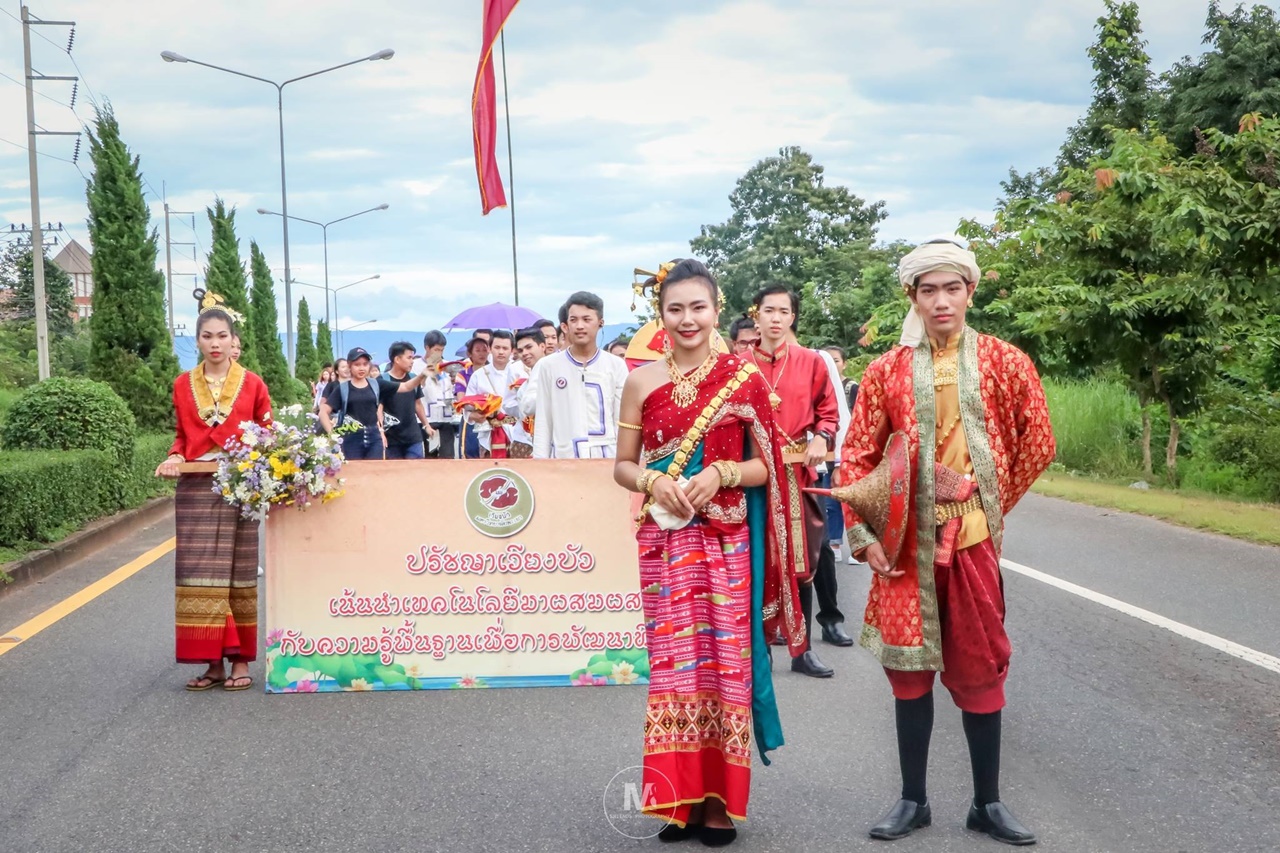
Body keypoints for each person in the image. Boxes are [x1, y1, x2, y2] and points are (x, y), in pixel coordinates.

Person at [839, 237, 1055, 845]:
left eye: (951, 288)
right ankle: (914, 800)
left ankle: (986, 803)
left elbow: (1039, 442)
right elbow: (855, 457)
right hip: (905, 543)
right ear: (912, 296)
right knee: (910, 674)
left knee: (980, 667)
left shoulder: (1006, 362)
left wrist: (986, 504)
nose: (941, 301)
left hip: (972, 540)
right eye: (928, 290)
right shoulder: (884, 371)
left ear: (970, 291)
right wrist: (865, 534)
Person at [613, 259, 805, 846]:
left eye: (698, 307)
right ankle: (678, 799)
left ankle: (719, 802)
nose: (687, 318)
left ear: (718, 309)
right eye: (675, 309)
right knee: (674, 670)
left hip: (725, 542)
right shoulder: (641, 380)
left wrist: (722, 471)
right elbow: (621, 467)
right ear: (660, 315)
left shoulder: (744, 378)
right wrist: (651, 482)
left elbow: (768, 464)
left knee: (724, 668)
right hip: (666, 544)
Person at [155, 306, 271, 693]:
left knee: (238, 572)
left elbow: (266, 433)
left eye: (222, 336)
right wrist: (174, 456)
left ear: (232, 339)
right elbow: (181, 436)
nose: (215, 343)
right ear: (198, 340)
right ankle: (212, 663)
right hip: (195, 485)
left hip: (239, 483)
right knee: (198, 573)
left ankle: (239, 660)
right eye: (207, 336)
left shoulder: (253, 383)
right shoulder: (181, 384)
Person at [748, 285, 844, 676]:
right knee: (756, 561)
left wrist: (821, 436)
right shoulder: (737, 363)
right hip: (752, 477)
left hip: (795, 475)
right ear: (756, 315)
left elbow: (829, 411)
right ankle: (760, 650)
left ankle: (801, 650)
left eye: (783, 311)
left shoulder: (812, 362)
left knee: (802, 563)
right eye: (768, 310)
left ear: (792, 317)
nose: (775, 318)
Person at [524, 291, 628, 458]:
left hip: (607, 458)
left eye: (587, 320)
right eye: (574, 320)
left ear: (600, 323)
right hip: (564, 458)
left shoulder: (615, 365)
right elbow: (543, 420)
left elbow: (622, 420)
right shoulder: (549, 366)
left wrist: (625, 461)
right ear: (566, 325)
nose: (580, 326)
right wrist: (541, 464)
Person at [463, 330, 526, 457]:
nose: (501, 352)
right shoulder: (478, 375)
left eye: (505, 348)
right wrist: (473, 415)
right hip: (488, 434)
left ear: (512, 350)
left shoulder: (521, 372)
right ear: (490, 349)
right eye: (497, 347)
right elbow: (467, 405)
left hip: (518, 433)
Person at [318, 347, 385, 460]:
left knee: (375, 471)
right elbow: (323, 408)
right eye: (357, 364)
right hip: (351, 436)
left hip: (373, 434)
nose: (362, 368)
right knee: (353, 471)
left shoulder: (375, 385)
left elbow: (404, 387)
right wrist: (332, 433)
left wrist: (381, 431)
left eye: (365, 364)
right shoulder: (339, 387)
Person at [379, 341, 432, 460]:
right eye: (409, 358)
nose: (412, 361)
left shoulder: (413, 378)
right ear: (397, 359)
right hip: (391, 438)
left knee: (415, 472)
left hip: (413, 437)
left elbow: (417, 404)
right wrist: (381, 431)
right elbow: (379, 408)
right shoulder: (383, 380)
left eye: (412, 358)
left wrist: (426, 425)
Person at [413, 330, 457, 458]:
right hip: (425, 419)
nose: (439, 353)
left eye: (442, 350)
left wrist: (454, 380)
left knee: (447, 458)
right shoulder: (415, 366)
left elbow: (451, 389)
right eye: (436, 350)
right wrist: (425, 375)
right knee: (428, 458)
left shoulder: (447, 365)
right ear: (427, 347)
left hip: (445, 418)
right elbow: (414, 389)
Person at [509, 327, 544, 457]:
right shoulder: (524, 384)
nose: (524, 353)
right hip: (524, 439)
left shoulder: (553, 372)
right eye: (520, 350)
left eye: (529, 347)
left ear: (542, 346)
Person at [455, 336, 491, 459]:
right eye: (477, 350)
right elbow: (461, 399)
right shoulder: (463, 374)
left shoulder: (492, 371)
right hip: (470, 419)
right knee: (469, 454)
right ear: (469, 353)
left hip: (491, 419)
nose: (482, 354)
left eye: (485, 350)